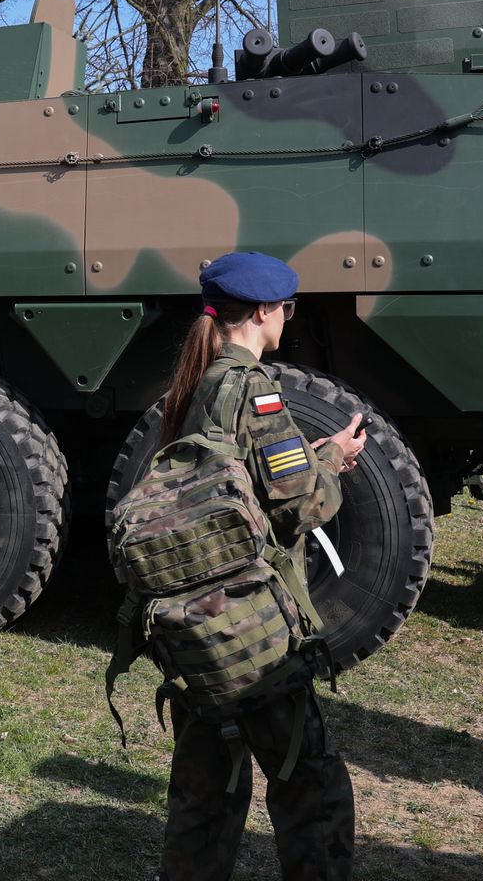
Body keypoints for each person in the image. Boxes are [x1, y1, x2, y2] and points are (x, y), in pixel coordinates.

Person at [148, 251, 365, 881]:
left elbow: (237, 484)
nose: (286, 319)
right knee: (311, 782)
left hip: (196, 622)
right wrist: (334, 467)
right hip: (251, 627)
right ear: (266, 312)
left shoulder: (194, 385)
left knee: (205, 787)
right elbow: (304, 504)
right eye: (286, 308)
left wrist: (315, 454)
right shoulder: (256, 392)